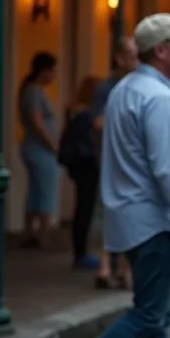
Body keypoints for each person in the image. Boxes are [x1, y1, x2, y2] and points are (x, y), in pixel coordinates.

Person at [99, 13, 170, 338]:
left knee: (157, 315)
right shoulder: (159, 97)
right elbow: (167, 168)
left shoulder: (124, 90)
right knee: (149, 317)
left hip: (132, 218)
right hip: (153, 222)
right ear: (161, 51)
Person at [92, 37, 139, 289]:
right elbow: (97, 122)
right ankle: (105, 264)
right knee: (107, 210)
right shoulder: (106, 88)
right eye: (132, 56)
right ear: (119, 58)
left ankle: (123, 268)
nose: (136, 61)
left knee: (128, 212)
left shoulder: (140, 87)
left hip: (131, 161)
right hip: (110, 159)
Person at [18, 51, 60, 249]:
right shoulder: (34, 91)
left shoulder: (31, 90)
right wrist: (51, 143)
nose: (54, 75)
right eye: (52, 70)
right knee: (45, 191)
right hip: (40, 149)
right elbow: (37, 121)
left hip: (33, 147)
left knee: (35, 191)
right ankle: (44, 234)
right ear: (44, 71)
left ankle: (29, 232)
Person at [59, 76, 102, 269]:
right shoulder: (86, 117)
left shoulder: (74, 112)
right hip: (87, 165)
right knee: (85, 208)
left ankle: (80, 251)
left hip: (78, 166)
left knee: (82, 207)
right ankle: (81, 253)